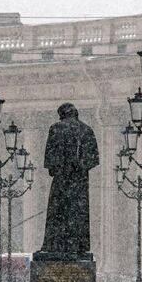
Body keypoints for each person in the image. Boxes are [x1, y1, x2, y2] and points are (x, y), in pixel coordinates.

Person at [40, 103, 99, 258]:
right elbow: (93, 159)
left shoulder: (55, 128)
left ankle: (54, 244)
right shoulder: (86, 130)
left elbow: (50, 161)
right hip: (79, 181)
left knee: (57, 212)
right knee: (78, 212)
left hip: (61, 179)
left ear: (62, 114)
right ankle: (78, 245)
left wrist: (59, 169)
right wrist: (79, 167)